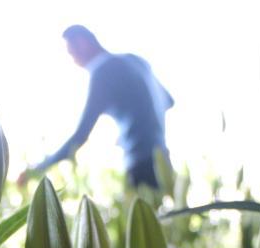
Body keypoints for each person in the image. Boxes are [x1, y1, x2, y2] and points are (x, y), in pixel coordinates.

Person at [21, 25, 174, 189]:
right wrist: (136, 126)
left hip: (139, 163)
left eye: (72, 53)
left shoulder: (102, 72)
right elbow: (169, 101)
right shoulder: (135, 59)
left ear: (83, 43)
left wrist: (37, 169)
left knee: (141, 212)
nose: (74, 61)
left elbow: (80, 135)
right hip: (163, 158)